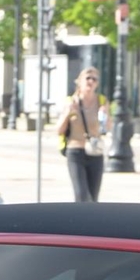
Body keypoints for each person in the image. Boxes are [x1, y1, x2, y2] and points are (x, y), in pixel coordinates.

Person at [58, 67, 112, 202]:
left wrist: (106, 116)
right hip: (75, 151)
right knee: (81, 194)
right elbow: (59, 130)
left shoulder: (101, 101)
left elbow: (108, 128)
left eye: (94, 79)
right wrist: (67, 113)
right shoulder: (71, 101)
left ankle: (92, 222)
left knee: (93, 197)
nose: (91, 81)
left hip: (95, 152)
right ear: (80, 81)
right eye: (88, 78)